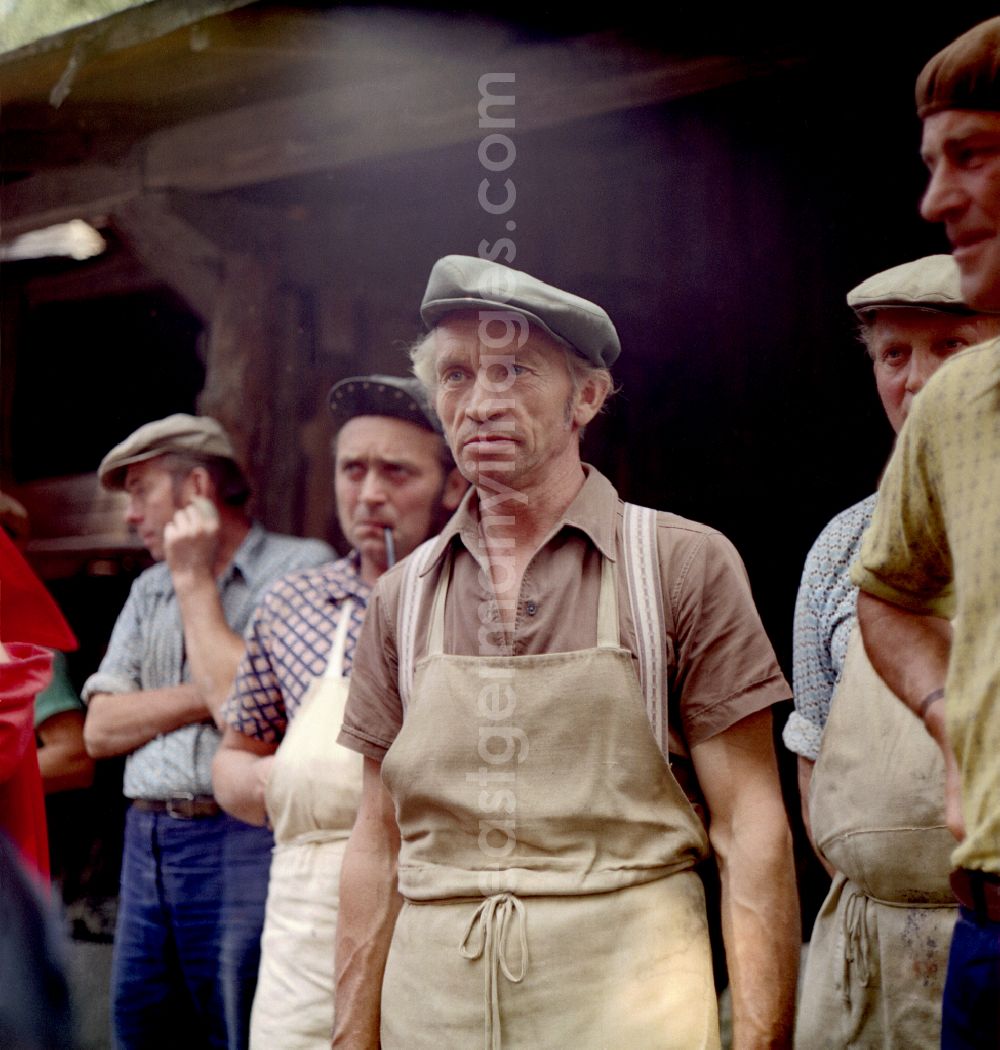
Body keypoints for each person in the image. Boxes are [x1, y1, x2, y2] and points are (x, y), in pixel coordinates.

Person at [333, 255, 800, 1049]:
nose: (479, 403)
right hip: (432, 1011)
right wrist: (351, 1037)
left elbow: (751, 825)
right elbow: (374, 843)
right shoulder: (401, 597)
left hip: (631, 1006)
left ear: (586, 396)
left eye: (513, 371)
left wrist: (760, 1039)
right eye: (455, 376)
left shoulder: (679, 564)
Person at [785, 255, 1000, 1048]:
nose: (917, 380)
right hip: (865, 951)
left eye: (951, 345)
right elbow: (811, 742)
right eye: (894, 355)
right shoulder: (841, 547)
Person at [212, 375, 465, 1049]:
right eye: (353, 469)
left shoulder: (476, 607)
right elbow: (235, 754)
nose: (371, 492)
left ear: (451, 488)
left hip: (438, 916)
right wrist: (274, 782)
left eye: (397, 472)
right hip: (305, 930)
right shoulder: (291, 604)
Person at [80, 414, 333, 1050]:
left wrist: (195, 582)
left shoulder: (302, 569)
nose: (131, 514)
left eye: (141, 491)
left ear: (195, 488)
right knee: (143, 1030)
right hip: (146, 841)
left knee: (240, 1026)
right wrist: (224, 688)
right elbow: (101, 729)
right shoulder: (146, 589)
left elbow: (256, 714)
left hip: (242, 838)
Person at [853, 17, 1000, 1050]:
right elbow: (890, 591)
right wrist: (959, 718)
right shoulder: (962, 406)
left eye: (974, 157)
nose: (935, 201)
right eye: (930, 162)